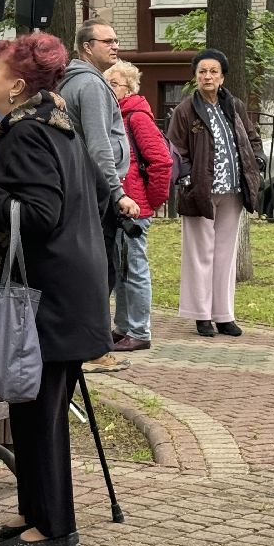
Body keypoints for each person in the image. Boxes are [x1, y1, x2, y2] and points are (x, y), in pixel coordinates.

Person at [0, 33, 111, 546]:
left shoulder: (31, 135)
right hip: (59, 290)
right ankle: (33, 509)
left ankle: (56, 527)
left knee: (39, 410)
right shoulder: (52, 126)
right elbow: (97, 195)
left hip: (49, 296)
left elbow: (39, 217)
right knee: (31, 401)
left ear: (16, 87)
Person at [58, 18, 137, 374]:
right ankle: (92, 348)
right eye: (108, 41)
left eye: (116, 40)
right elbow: (99, 145)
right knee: (99, 271)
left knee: (95, 269)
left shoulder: (82, 80)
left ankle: (87, 343)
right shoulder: (89, 85)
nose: (115, 46)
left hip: (87, 188)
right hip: (97, 192)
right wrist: (117, 193)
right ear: (87, 46)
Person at [167, 49, 264, 338]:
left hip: (233, 190)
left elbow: (251, 136)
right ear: (195, 76)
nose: (207, 76)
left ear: (222, 77)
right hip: (200, 192)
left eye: (213, 72)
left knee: (225, 254)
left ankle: (223, 315)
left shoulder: (233, 105)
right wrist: (186, 180)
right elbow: (175, 151)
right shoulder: (186, 110)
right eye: (202, 72)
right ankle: (201, 315)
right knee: (200, 254)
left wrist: (256, 161)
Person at [104, 60, 172, 352]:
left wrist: (150, 202)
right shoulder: (115, 114)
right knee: (121, 272)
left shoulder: (137, 117)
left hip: (135, 207)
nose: (109, 88)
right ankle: (123, 327)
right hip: (122, 206)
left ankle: (140, 330)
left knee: (134, 269)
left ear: (129, 88)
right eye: (106, 83)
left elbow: (161, 161)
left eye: (114, 84)